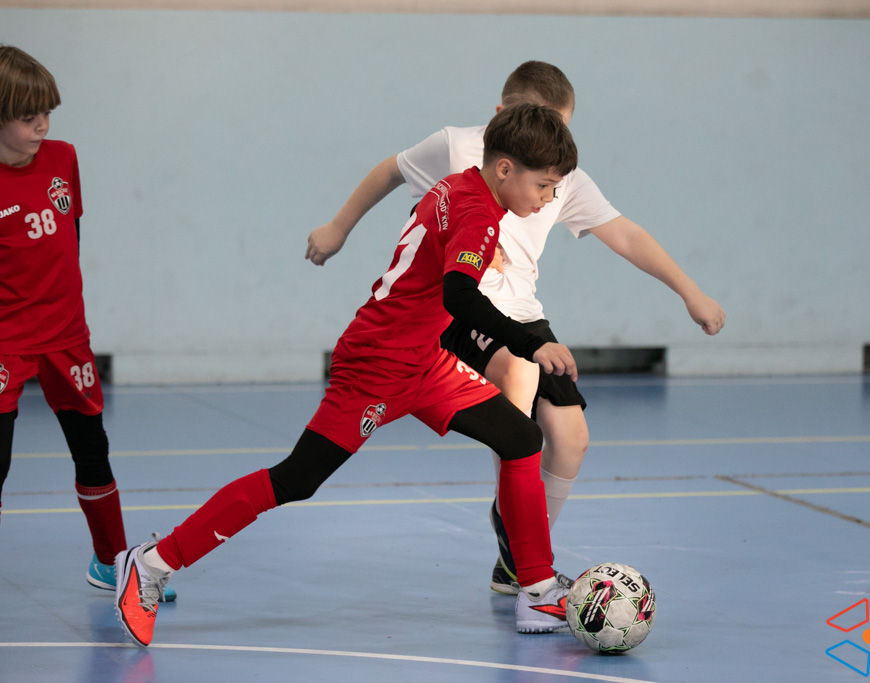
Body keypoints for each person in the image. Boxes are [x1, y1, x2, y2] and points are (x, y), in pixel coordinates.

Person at [115, 103, 580, 647]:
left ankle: (536, 587)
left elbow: (438, 246)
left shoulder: (459, 185)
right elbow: (459, 295)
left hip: (424, 361)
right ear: (504, 169)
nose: (548, 198)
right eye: (544, 186)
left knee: (520, 437)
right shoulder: (479, 213)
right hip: (376, 364)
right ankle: (152, 562)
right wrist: (532, 341)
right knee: (296, 479)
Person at [306, 61, 726, 594]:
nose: (548, 143)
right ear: (503, 116)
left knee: (571, 438)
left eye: (560, 130)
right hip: (465, 310)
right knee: (518, 378)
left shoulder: (562, 176)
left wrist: (690, 292)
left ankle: (517, 557)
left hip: (524, 316)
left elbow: (626, 235)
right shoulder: (459, 147)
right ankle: (528, 558)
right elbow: (392, 171)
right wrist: (338, 227)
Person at [0, 45, 176, 601]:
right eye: (28, 118)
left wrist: (64, 311)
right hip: (5, 342)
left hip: (66, 336)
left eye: (47, 114)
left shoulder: (63, 158)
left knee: (92, 450)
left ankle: (111, 562)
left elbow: (68, 239)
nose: (42, 127)